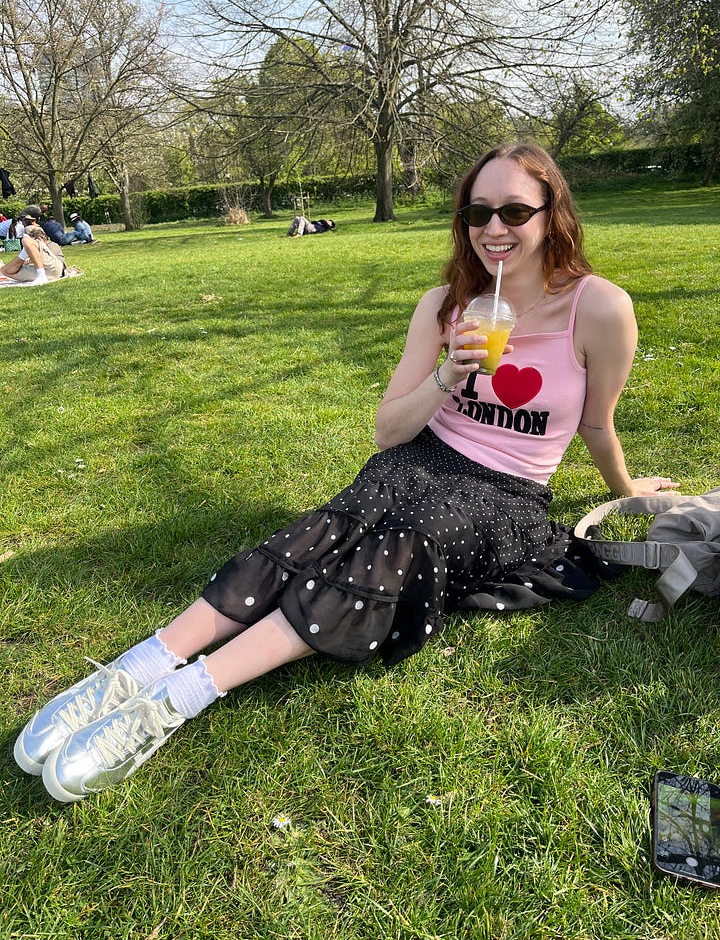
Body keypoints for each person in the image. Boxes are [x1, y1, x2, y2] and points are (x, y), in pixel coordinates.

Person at [14, 142, 679, 803]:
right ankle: (137, 667)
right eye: (478, 213)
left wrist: (627, 491)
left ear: (551, 213)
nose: (494, 229)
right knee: (323, 530)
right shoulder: (444, 305)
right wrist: (447, 374)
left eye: (514, 211)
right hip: (423, 456)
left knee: (407, 542)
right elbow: (389, 431)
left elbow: (596, 424)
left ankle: (176, 699)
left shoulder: (599, 309)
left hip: (508, 491)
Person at [0, 224, 65, 284]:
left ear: (39, 239)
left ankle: (41, 275)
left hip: (55, 269)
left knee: (25, 240)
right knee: (5, 271)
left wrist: (31, 255)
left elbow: (59, 262)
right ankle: (25, 253)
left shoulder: (51, 245)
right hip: (48, 274)